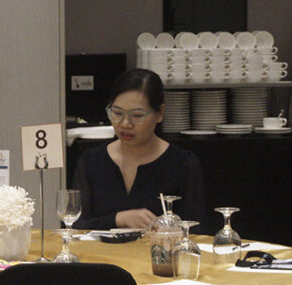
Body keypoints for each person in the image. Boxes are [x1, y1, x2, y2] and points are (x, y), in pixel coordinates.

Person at [72, 68, 205, 231]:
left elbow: (195, 231)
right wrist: (118, 219)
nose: (125, 124)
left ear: (160, 113)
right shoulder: (90, 161)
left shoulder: (183, 163)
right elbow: (74, 227)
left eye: (137, 115)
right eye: (117, 113)